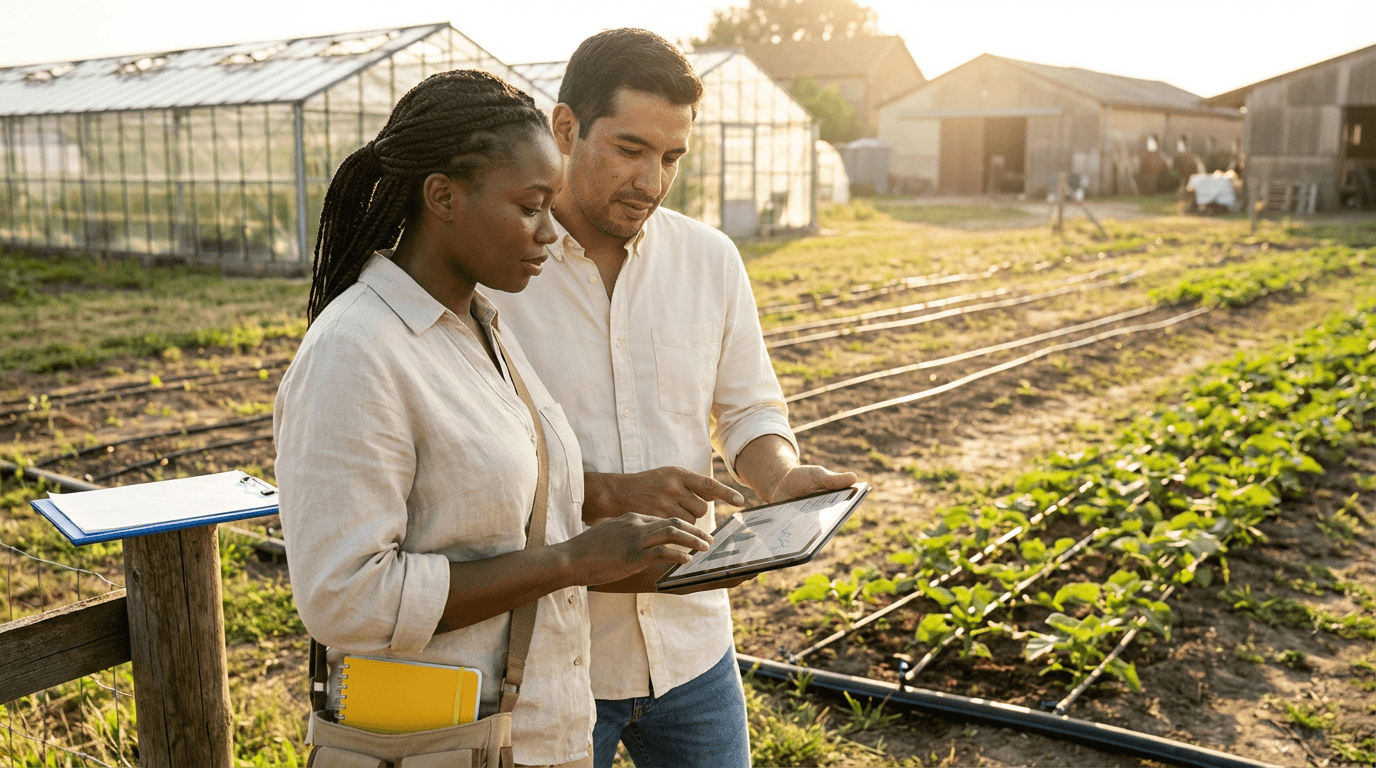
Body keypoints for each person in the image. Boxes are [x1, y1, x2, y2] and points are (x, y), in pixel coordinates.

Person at [272, 70, 712, 767]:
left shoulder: (482, 327)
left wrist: (645, 549)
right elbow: (344, 599)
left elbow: (509, 521)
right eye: (531, 207)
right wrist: (570, 561)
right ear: (442, 196)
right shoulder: (356, 352)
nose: (548, 232)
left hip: (533, 733)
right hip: (440, 741)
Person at [485, 30, 859, 767]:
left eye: (671, 158)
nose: (652, 181)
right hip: (552, 659)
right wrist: (608, 493)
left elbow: (750, 409)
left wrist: (778, 476)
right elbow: (475, 470)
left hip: (694, 650)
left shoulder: (709, 259)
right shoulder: (499, 275)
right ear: (566, 129)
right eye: (629, 150)